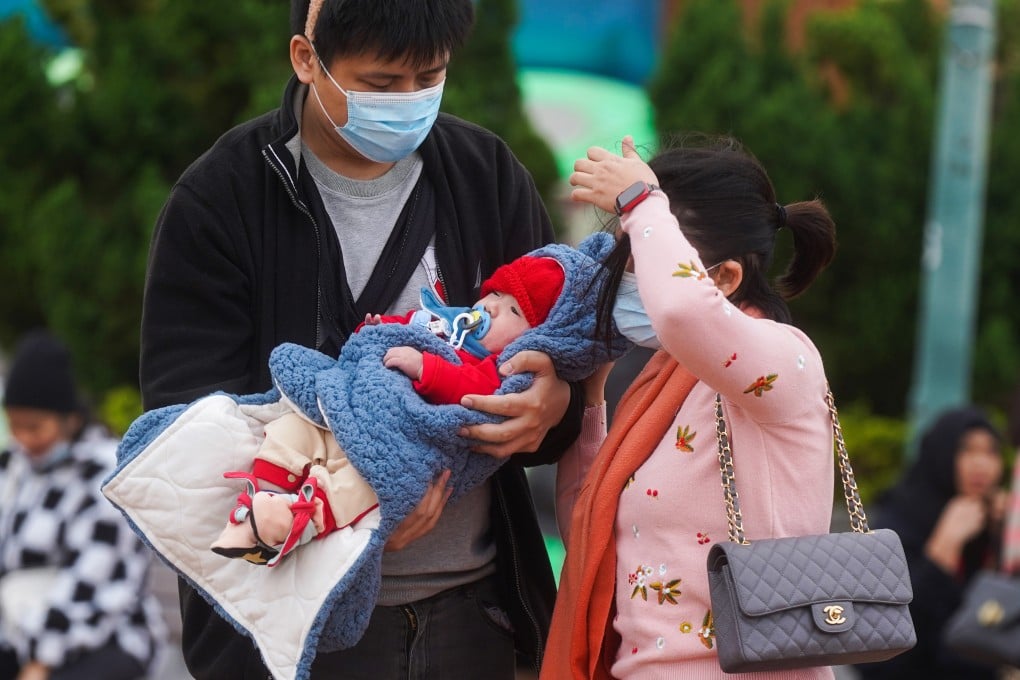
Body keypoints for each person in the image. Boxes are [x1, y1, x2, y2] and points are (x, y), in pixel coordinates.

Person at [137, 0, 583, 677]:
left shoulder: (484, 176)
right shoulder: (222, 198)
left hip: (472, 611)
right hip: (299, 632)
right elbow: (183, 429)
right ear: (306, 59)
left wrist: (553, 408)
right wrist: (343, 530)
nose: (407, 101)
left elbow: (563, 353)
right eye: (380, 83)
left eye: (428, 78)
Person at [536, 133, 839, 679]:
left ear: (724, 278)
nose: (632, 280)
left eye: (643, 260)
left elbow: (680, 309)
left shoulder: (785, 363)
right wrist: (590, 395)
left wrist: (642, 203)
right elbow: (592, 531)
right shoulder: (667, 380)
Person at [210, 253, 567, 566]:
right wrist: (380, 329)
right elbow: (411, 326)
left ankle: (303, 520)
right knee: (290, 431)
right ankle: (260, 497)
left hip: (399, 446)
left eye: (513, 310)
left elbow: (477, 393)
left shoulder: (498, 366)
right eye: (495, 293)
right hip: (349, 413)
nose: (491, 306)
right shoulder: (448, 323)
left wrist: (429, 369)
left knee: (355, 485)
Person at [0, 331, 165, 680]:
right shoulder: (12, 467)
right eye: (15, 425)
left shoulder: (103, 475)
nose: (24, 439)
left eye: (35, 427)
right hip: (18, 627)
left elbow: (92, 584)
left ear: (69, 419)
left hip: (107, 633)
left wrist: (41, 661)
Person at [854, 406, 1008, 679]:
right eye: (967, 450)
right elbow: (876, 642)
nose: (981, 463)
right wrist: (942, 548)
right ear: (941, 454)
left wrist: (1006, 541)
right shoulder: (896, 523)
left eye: (991, 452)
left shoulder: (996, 524)